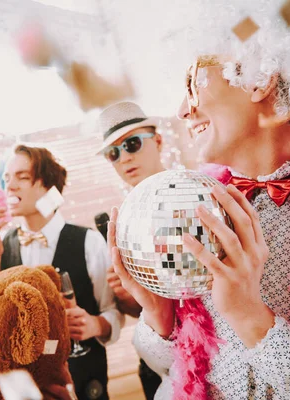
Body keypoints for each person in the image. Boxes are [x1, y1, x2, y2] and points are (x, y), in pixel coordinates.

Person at [108, 0, 290, 398]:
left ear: (259, 78)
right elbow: (180, 371)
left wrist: (252, 320)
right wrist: (158, 318)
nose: (182, 110)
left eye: (193, 84)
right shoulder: (191, 210)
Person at [0, 144, 124, 400]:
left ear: (48, 187)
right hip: (30, 386)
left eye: (22, 177)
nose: (9, 186)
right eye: (7, 178)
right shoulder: (1, 246)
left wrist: (95, 325)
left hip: (86, 381)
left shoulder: (88, 241)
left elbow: (112, 311)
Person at [97, 101, 165, 399]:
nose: (124, 158)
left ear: (158, 141)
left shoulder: (197, 193)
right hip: (155, 365)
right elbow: (139, 309)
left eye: (132, 144)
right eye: (114, 153)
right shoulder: (120, 223)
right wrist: (126, 295)